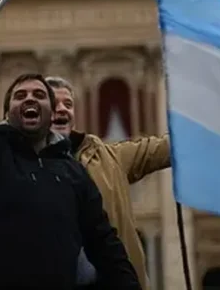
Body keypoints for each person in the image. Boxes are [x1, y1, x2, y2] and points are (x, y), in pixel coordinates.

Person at [0, 20, 140, 289]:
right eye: (20, 95)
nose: (30, 98)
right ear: (7, 112)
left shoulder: (73, 172)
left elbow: (104, 243)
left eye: (39, 95)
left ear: (51, 111)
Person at [46, 77, 171, 290]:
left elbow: (161, 149)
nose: (62, 110)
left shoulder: (109, 157)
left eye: (68, 104)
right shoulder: (17, 163)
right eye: (53, 104)